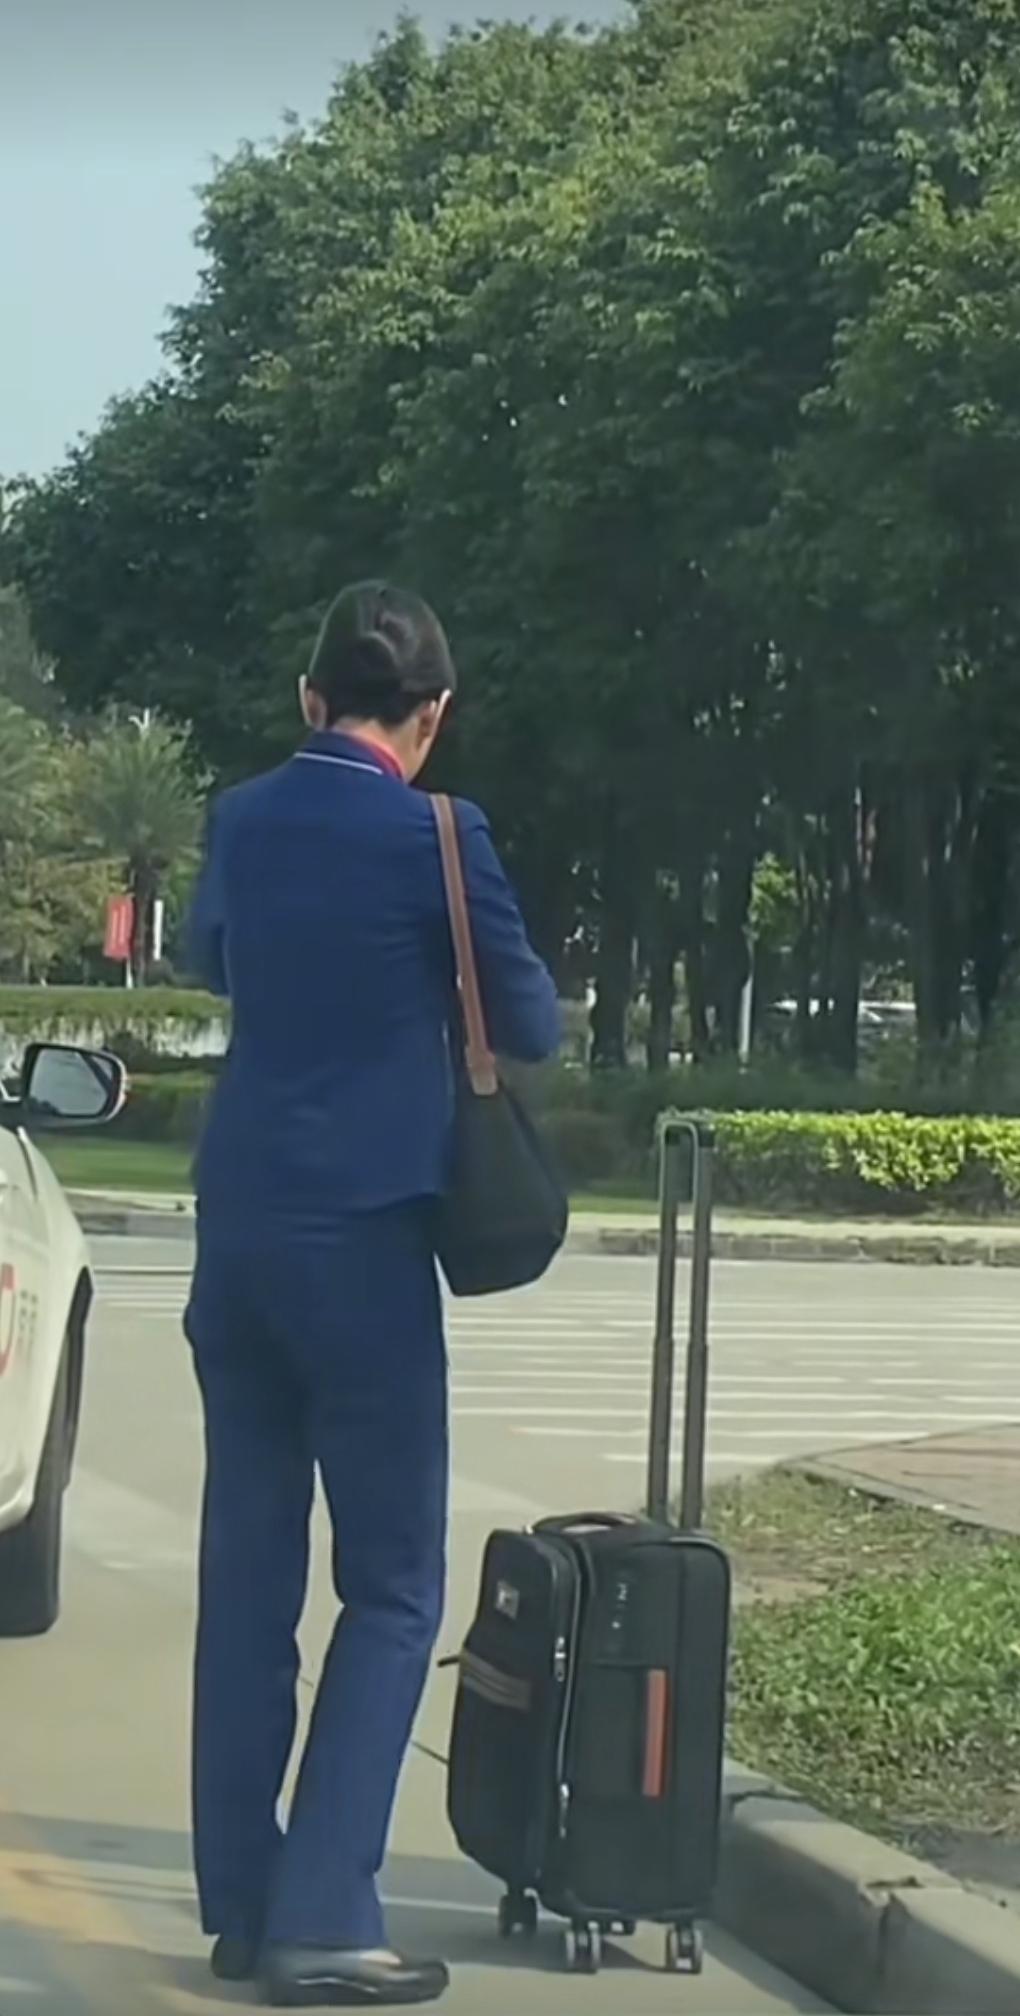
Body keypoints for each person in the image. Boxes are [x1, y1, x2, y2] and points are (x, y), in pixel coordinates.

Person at [184, 582, 560, 2008]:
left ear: (310, 700)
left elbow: (208, 956)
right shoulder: (439, 837)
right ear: (434, 716)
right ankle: (328, 1910)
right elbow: (527, 1022)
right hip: (366, 1249)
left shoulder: (239, 818)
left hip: (237, 1239)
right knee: (395, 1585)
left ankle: (242, 1901)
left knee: (248, 1579)